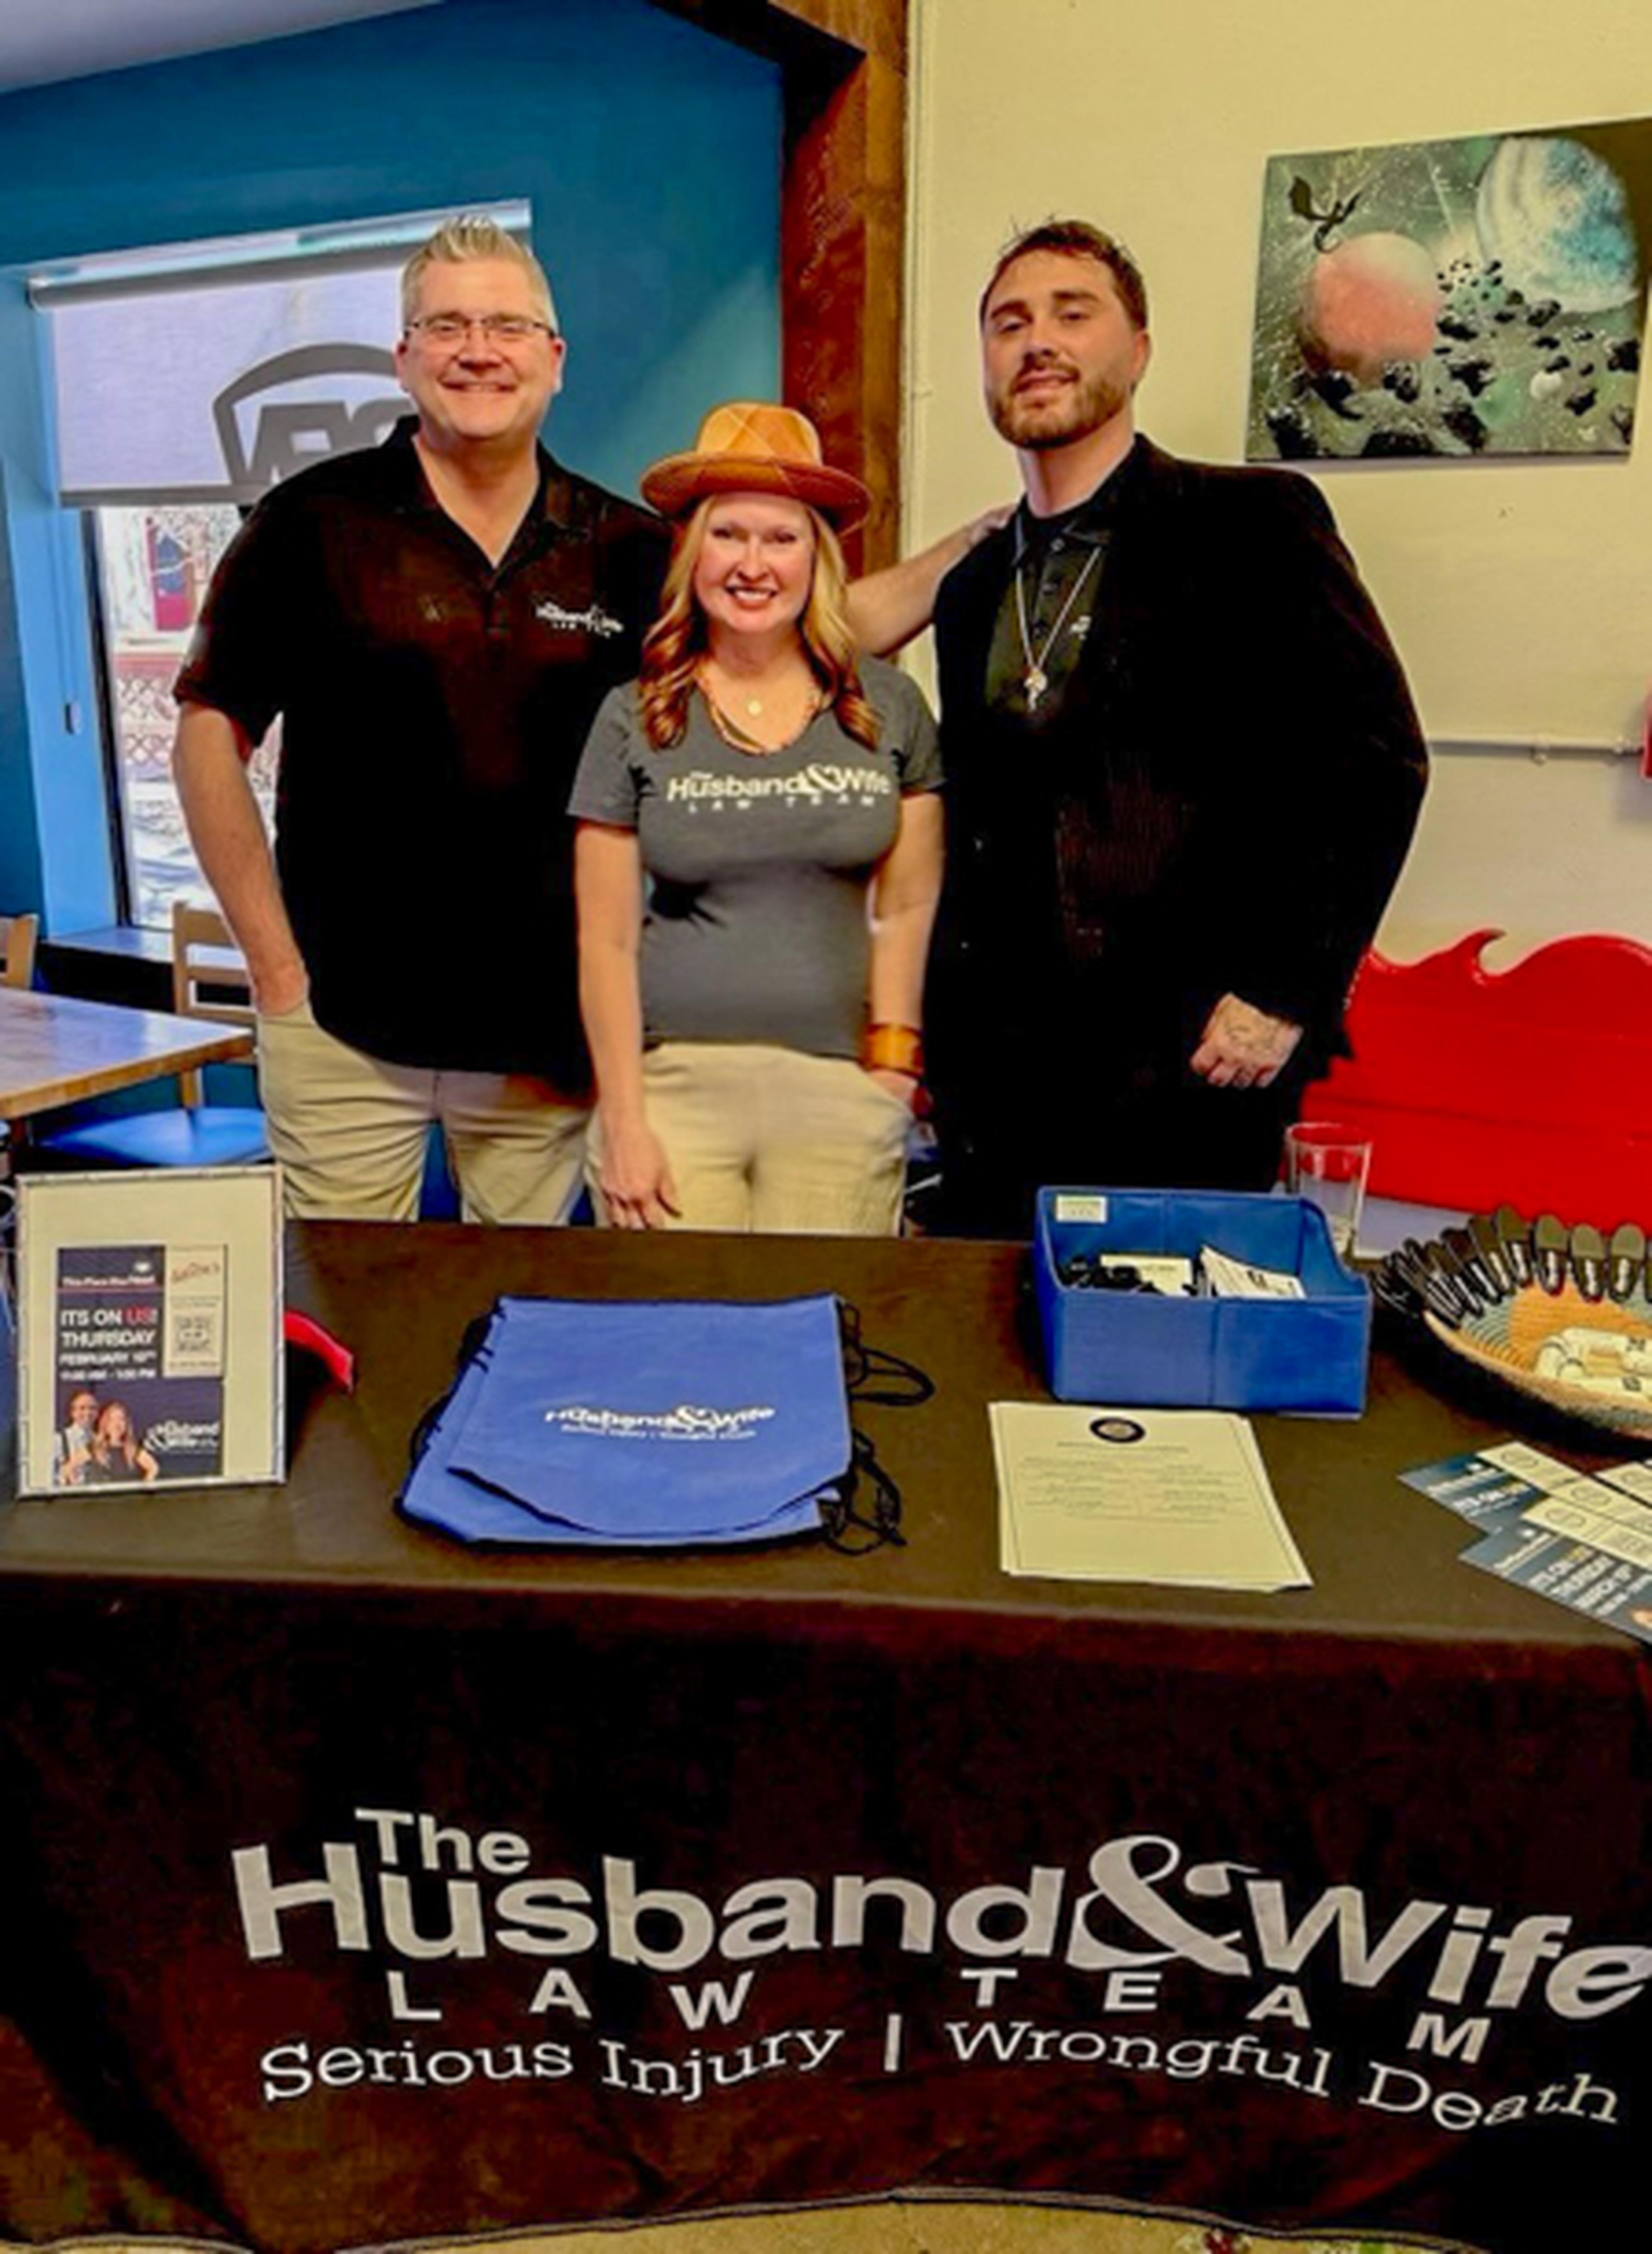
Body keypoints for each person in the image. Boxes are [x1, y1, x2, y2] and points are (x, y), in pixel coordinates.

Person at [174, 216, 970, 1226]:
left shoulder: (625, 548)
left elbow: (789, 625)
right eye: (447, 325)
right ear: (404, 355)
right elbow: (208, 736)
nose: (478, 350)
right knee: (348, 1318)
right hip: (342, 1027)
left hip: (543, 1050)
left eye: (507, 326)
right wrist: (274, 970)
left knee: (526, 1318)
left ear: (553, 359)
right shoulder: (307, 523)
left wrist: (974, 550)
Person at [926, 220, 1430, 1238]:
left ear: (1138, 350)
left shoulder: (1251, 524)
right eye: (1007, 322)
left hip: (1193, 1059)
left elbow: (1376, 762)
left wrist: (1283, 990)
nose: (1036, 342)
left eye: (1074, 313)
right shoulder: (973, 586)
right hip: (1001, 1077)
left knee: (1167, 1373)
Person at [570, 404, 943, 1235]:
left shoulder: (886, 705)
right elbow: (606, 939)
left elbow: (909, 903)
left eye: (781, 538)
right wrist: (625, 1120)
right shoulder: (635, 715)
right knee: (678, 1345)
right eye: (727, 534)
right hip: (672, 1092)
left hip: (840, 1090)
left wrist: (891, 1063)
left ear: (819, 556)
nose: (753, 563)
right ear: (692, 553)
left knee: (822, 1335)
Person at [65, 1400, 159, 1486]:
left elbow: (153, 1468)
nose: (117, 1424)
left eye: (121, 1419)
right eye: (112, 1420)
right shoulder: (95, 1449)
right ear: (105, 1424)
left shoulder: (133, 1450)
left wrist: (143, 1489)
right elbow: (68, 1468)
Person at [52, 1388, 98, 1487]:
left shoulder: (100, 1440)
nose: (88, 1413)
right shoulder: (59, 1440)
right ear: (73, 1412)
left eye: (92, 1408)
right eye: (82, 1408)